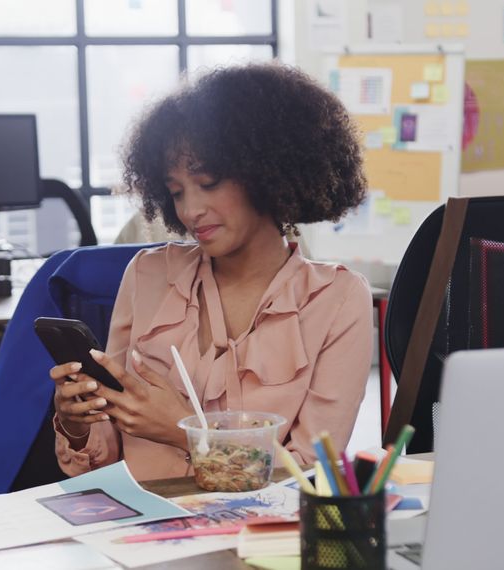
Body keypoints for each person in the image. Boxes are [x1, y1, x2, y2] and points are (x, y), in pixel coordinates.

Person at [51, 63, 373, 480]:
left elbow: (308, 472)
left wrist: (187, 432)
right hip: (144, 529)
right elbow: (107, 451)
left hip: (260, 533)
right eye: (177, 192)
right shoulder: (148, 275)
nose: (189, 210)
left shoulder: (337, 299)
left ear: (267, 174)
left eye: (208, 183)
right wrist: (78, 424)